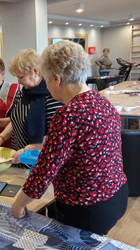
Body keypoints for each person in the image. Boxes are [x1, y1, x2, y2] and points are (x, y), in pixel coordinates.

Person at [11, 40, 128, 236]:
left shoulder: (68, 114)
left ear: (56, 79)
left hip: (86, 206)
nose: (46, 86)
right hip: (116, 194)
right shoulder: (102, 101)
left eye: (46, 80)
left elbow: (43, 173)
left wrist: (18, 204)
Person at [0, 49, 62, 167]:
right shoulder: (22, 93)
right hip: (18, 158)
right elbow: (15, 121)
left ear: (35, 71)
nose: (18, 82)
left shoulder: (52, 97)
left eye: (21, 77)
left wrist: (26, 150)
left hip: (38, 163)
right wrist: (1, 138)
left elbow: (55, 136)